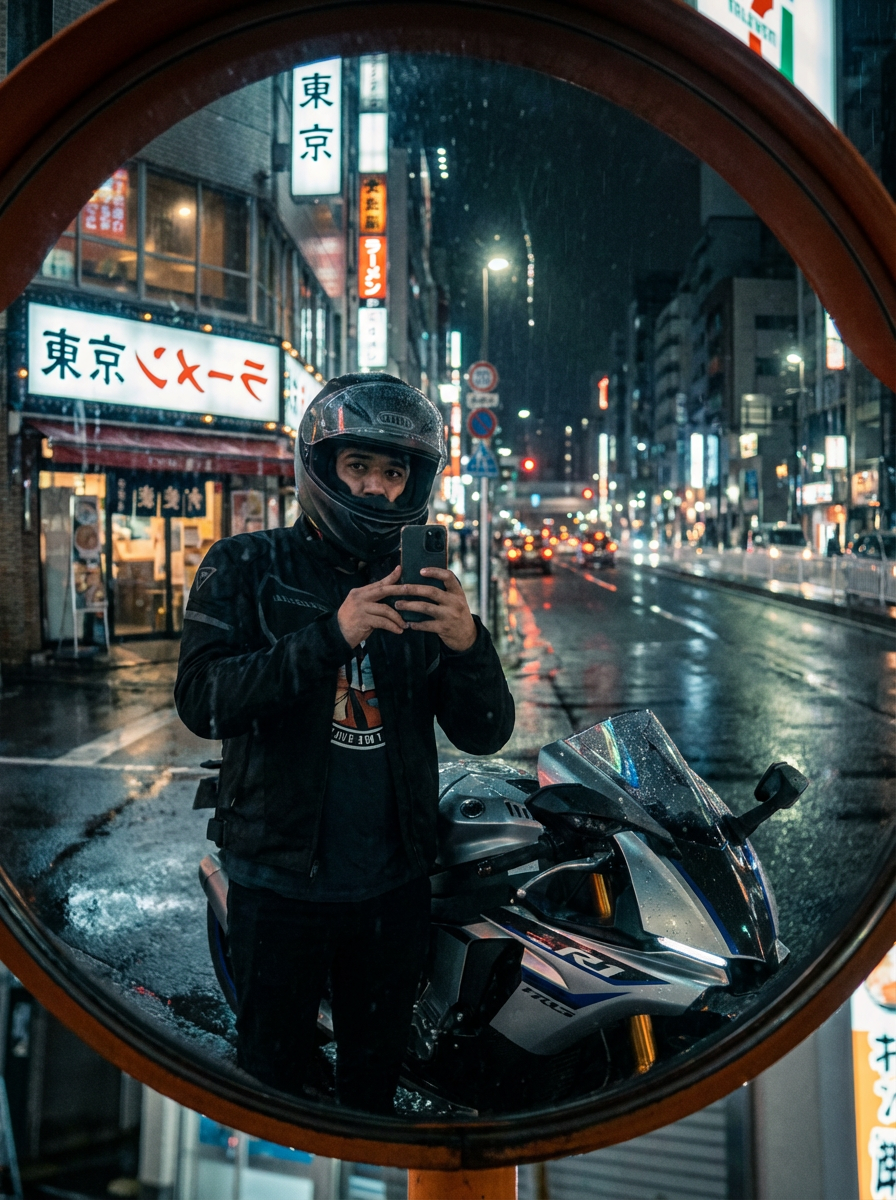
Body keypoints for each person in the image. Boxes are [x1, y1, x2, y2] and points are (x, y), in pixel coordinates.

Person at [174, 373, 514, 1114]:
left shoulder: (418, 586)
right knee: (273, 1079)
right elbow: (203, 701)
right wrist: (334, 634)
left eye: (396, 472)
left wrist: (468, 643)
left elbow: (486, 732)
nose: (379, 490)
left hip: (393, 888)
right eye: (359, 466)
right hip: (279, 883)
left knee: (373, 1086)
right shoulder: (245, 567)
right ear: (319, 467)